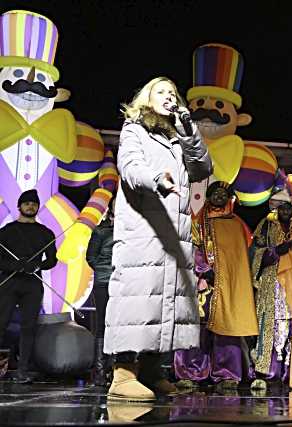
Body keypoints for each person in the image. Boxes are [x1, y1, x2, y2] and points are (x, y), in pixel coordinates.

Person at [103, 77, 212, 401]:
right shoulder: (134, 129)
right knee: (137, 301)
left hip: (174, 234)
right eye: (161, 92)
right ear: (146, 99)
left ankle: (152, 371)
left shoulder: (179, 137)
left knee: (164, 302)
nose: (168, 97)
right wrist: (156, 178)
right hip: (143, 230)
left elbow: (203, 167)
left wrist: (189, 129)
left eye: (172, 94)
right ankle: (122, 375)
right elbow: (130, 166)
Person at [174, 181, 258, 389]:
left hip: (227, 285)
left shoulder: (236, 224)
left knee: (227, 329)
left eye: (224, 194)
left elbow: (239, 259)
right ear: (208, 197)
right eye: (216, 193)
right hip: (201, 284)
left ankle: (226, 373)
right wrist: (203, 269)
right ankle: (191, 372)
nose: (220, 197)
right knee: (197, 329)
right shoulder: (197, 222)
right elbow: (191, 249)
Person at [250, 173, 292, 390]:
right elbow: (256, 253)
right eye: (282, 207)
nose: (286, 211)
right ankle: (265, 372)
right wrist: (275, 252)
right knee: (270, 325)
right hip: (274, 283)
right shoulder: (266, 226)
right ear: (277, 208)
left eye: (289, 207)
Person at [0, 189, 58, 383]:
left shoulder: (46, 233)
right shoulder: (6, 232)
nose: (30, 206)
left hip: (32, 284)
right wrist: (12, 265)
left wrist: (38, 265)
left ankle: (22, 371)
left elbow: (52, 260)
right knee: (1, 324)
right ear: (19, 206)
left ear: (37, 207)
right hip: (8, 282)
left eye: (34, 203)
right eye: (26, 203)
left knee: (29, 327)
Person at [86, 198, 115, 386]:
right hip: (104, 282)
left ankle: (116, 370)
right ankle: (100, 369)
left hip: (126, 284)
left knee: (120, 327)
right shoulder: (101, 231)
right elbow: (91, 257)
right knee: (103, 324)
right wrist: (105, 269)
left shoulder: (133, 232)